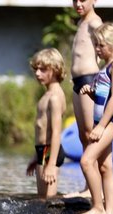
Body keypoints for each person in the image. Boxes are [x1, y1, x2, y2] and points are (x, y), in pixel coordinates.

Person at [74, 22, 113, 214]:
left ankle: (98, 207)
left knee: (86, 161)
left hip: (110, 122)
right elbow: (103, 93)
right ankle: (111, 212)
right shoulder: (107, 66)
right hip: (103, 121)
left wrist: (101, 126)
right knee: (105, 167)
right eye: (96, 44)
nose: (97, 49)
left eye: (100, 45)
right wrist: (91, 90)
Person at [64, 0, 103, 199]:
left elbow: (111, 46)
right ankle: (88, 185)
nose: (78, 3)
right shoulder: (81, 23)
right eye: (74, 0)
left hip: (89, 80)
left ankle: (93, 190)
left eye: (83, 0)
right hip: (78, 81)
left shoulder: (95, 22)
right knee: (82, 135)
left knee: (90, 134)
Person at [25, 48, 67, 199]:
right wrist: (35, 156)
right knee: (41, 198)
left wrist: (51, 164)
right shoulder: (47, 94)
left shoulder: (55, 97)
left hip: (50, 152)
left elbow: (56, 132)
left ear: (55, 70)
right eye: (36, 69)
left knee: (48, 200)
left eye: (42, 70)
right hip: (42, 151)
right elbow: (42, 130)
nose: (37, 73)